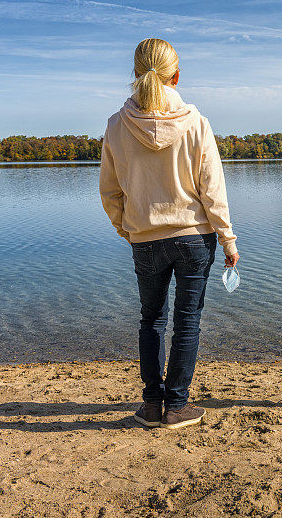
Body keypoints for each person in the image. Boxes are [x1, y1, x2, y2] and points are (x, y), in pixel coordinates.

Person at [99, 38, 239, 429]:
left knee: (151, 320)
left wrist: (126, 228)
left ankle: (150, 405)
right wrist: (228, 239)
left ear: (136, 74)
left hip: (145, 238)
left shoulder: (116, 125)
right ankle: (177, 406)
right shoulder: (196, 122)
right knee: (187, 321)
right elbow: (213, 189)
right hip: (194, 237)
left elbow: (109, 191)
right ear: (176, 75)